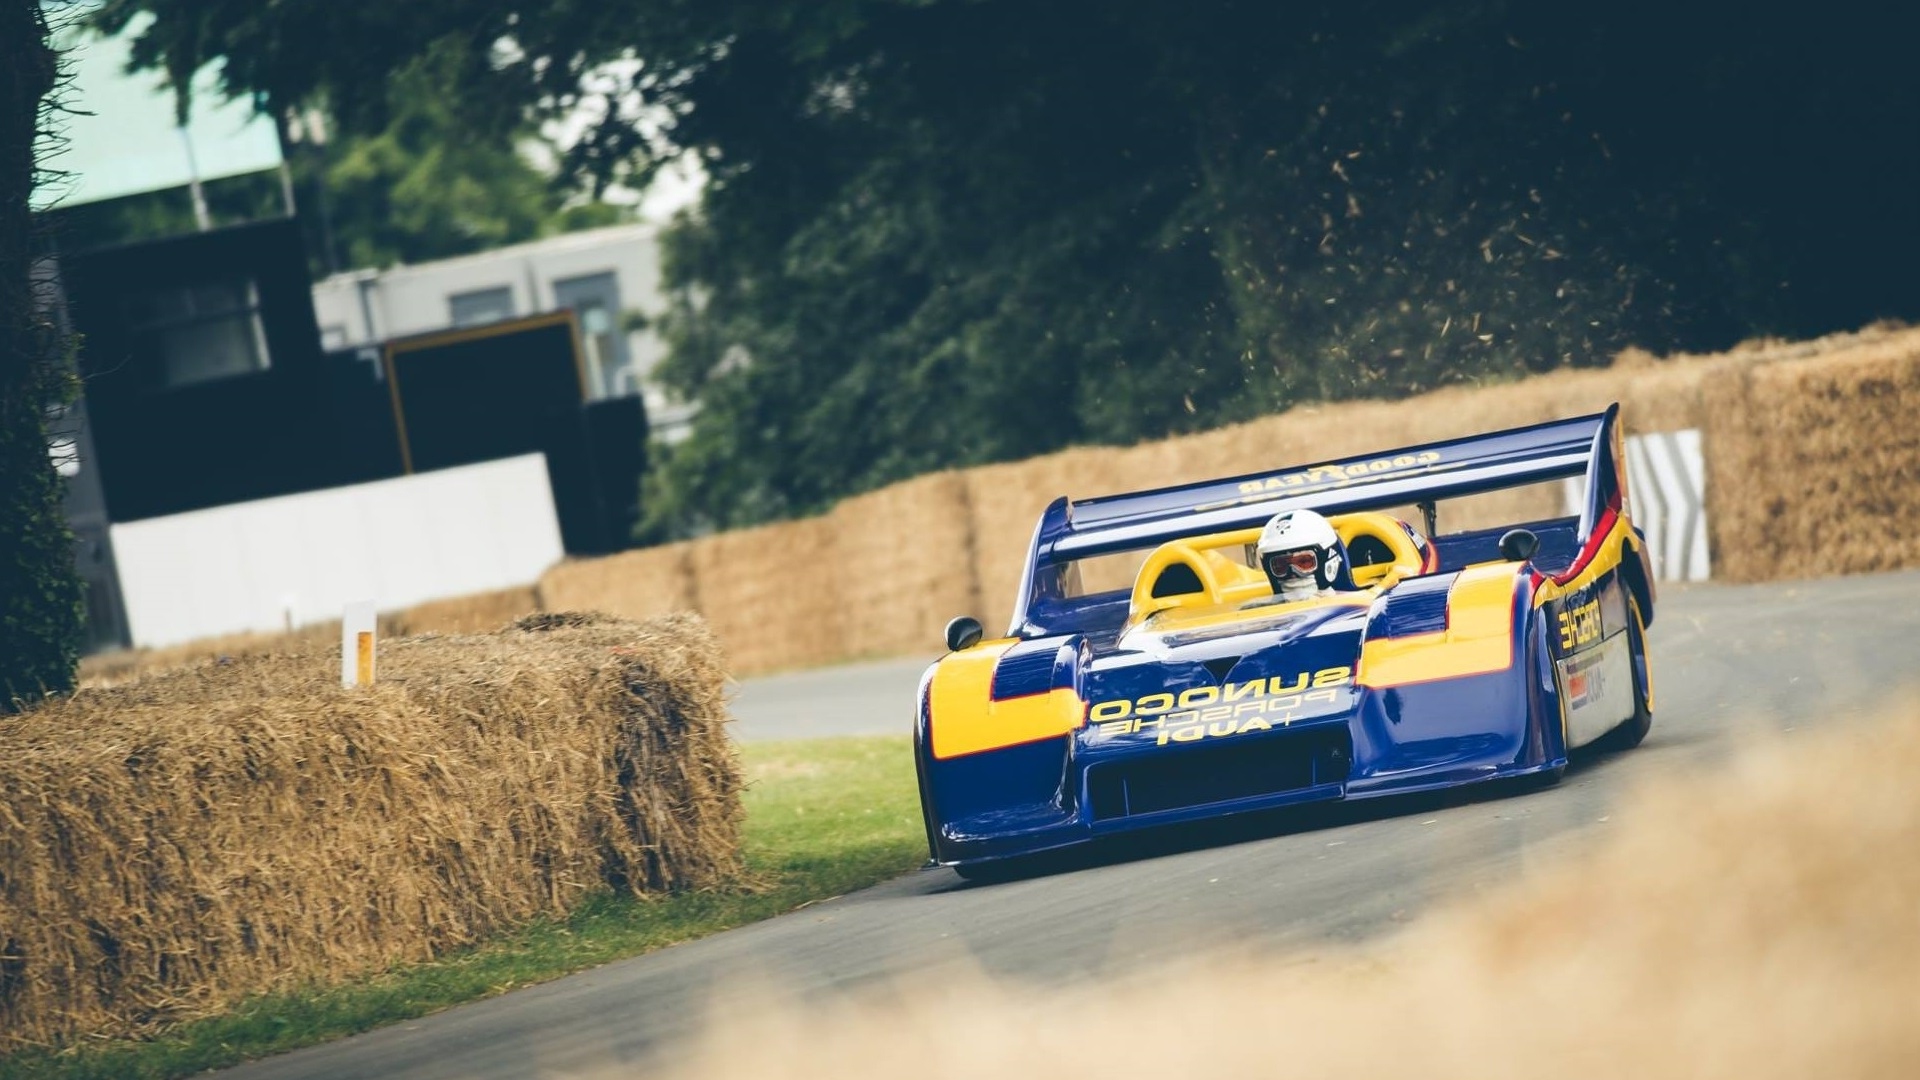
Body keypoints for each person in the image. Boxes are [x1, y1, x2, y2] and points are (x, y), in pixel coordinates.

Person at [1255, 509, 1345, 602]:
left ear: (1328, 559)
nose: (1293, 574)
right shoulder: (1263, 614)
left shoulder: (1355, 607)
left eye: (1304, 561)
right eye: (1281, 565)